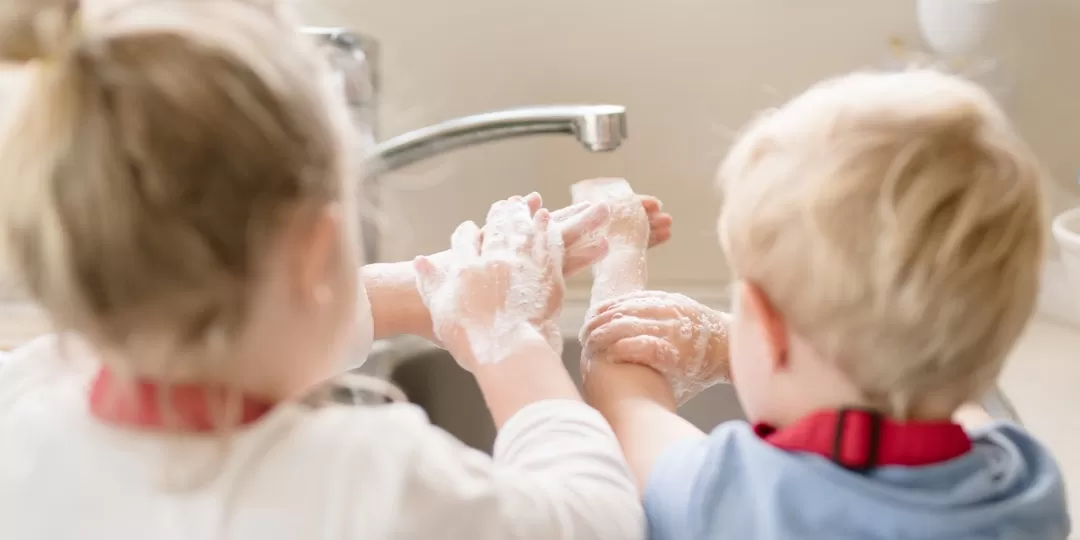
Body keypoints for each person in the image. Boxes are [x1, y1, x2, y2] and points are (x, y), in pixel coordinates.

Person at [0, 1, 671, 538]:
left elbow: (164, 324)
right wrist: (508, 343)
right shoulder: (372, 485)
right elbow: (595, 520)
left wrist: (431, 288)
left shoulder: (21, 428)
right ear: (320, 247)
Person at [579, 70, 1071, 539]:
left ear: (769, 330)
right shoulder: (1025, 484)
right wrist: (735, 341)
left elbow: (626, 406)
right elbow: (933, 372)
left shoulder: (740, 498)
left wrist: (619, 252)